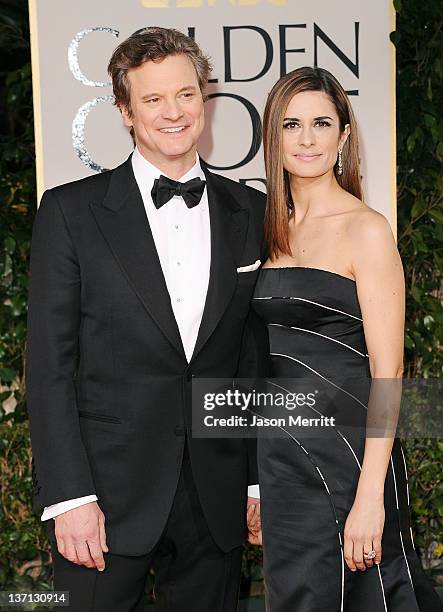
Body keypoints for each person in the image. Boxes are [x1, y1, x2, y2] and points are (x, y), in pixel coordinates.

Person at [26, 27, 266, 611]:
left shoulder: (251, 210)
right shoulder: (70, 212)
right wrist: (69, 497)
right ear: (125, 112)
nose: (173, 113)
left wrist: (257, 480)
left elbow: (253, 358)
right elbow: (50, 367)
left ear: (204, 101)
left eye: (185, 94)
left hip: (217, 495)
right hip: (104, 497)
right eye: (153, 99)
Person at [251, 66, 443, 611]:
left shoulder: (367, 229)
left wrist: (370, 498)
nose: (306, 139)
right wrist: (256, 485)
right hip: (282, 462)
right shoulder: (266, 229)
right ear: (274, 137)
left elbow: (390, 372)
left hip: (351, 459)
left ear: (344, 136)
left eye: (320, 123)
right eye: (291, 124)